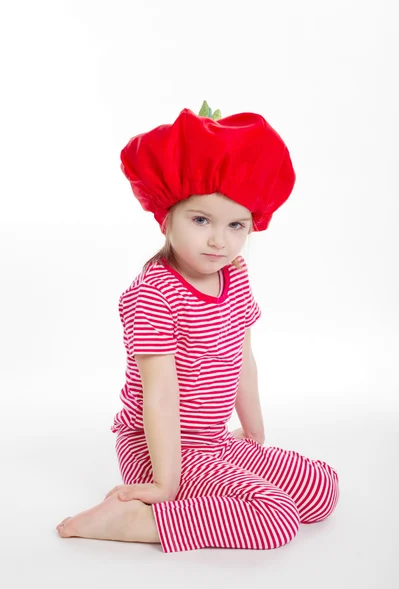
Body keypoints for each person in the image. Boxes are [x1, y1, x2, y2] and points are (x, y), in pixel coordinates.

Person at [56, 102, 339, 553]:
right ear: (166, 217)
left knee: (320, 490)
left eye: (235, 225)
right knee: (277, 517)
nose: (218, 240)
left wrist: (254, 434)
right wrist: (165, 481)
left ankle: (196, 500)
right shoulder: (154, 295)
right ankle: (139, 521)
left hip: (212, 438)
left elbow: (243, 357)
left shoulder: (236, 274)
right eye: (201, 219)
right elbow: (161, 394)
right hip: (158, 446)